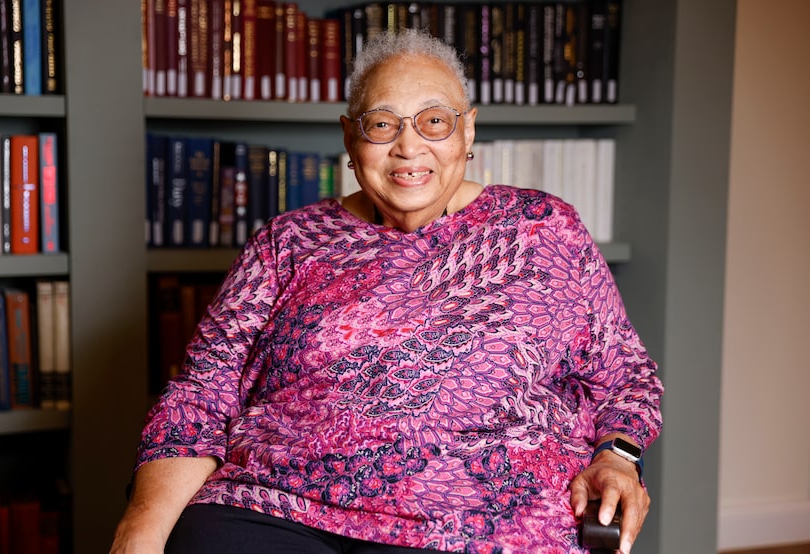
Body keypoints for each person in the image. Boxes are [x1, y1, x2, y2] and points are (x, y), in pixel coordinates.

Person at [111, 29, 663, 554]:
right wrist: (140, 531)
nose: (408, 147)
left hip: (484, 519)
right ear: (350, 137)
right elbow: (198, 399)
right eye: (382, 125)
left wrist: (618, 458)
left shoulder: (544, 229)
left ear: (468, 132)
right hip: (275, 505)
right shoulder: (288, 243)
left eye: (434, 122)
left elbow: (626, 375)